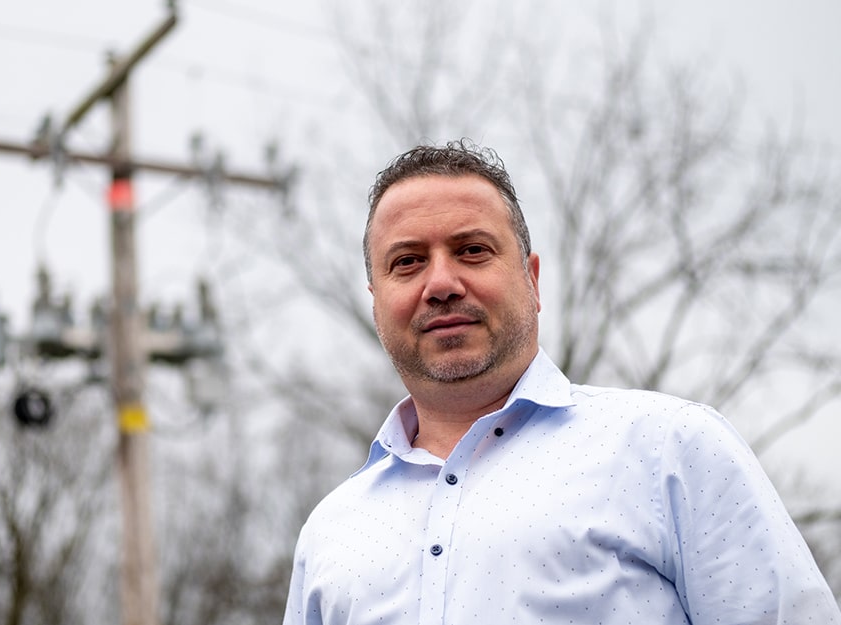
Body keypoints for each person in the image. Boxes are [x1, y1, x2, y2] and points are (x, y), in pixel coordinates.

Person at [283, 140, 841, 624]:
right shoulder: (332, 531)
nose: (442, 283)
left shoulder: (669, 450)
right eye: (407, 262)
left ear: (531, 279)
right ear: (378, 301)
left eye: (472, 250)